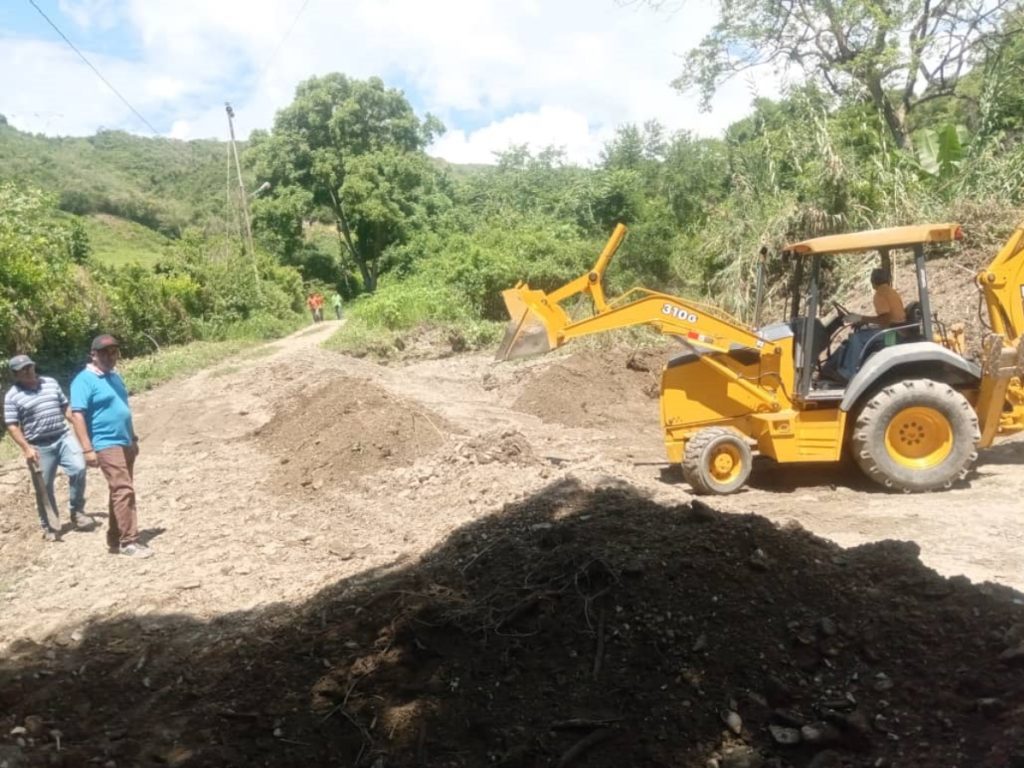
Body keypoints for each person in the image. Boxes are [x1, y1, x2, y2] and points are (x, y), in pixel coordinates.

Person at [69, 335, 152, 558]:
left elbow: (123, 409)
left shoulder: (114, 377)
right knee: (123, 489)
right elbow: (77, 415)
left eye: (113, 352)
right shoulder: (83, 380)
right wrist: (87, 449)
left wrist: (132, 438)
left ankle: (115, 539)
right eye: (104, 352)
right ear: (93, 354)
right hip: (105, 443)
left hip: (124, 441)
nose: (110, 356)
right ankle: (129, 542)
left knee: (120, 490)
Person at [4, 354, 90, 541]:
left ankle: (77, 512)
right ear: (15, 374)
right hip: (39, 445)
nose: (27, 372)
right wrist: (26, 448)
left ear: (34, 366)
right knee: (44, 487)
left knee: (79, 468)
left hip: (63, 436)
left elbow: (64, 406)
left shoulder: (50, 383)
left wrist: (77, 423)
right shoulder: (12, 396)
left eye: (29, 367)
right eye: (22, 370)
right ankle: (49, 525)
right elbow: (12, 425)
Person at [834, 268, 907, 382]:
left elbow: (885, 320)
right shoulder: (890, 291)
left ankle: (848, 374)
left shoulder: (880, 294)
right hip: (897, 328)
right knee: (863, 332)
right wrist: (864, 321)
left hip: (892, 333)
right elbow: (886, 318)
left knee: (856, 338)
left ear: (873, 281)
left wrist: (861, 318)